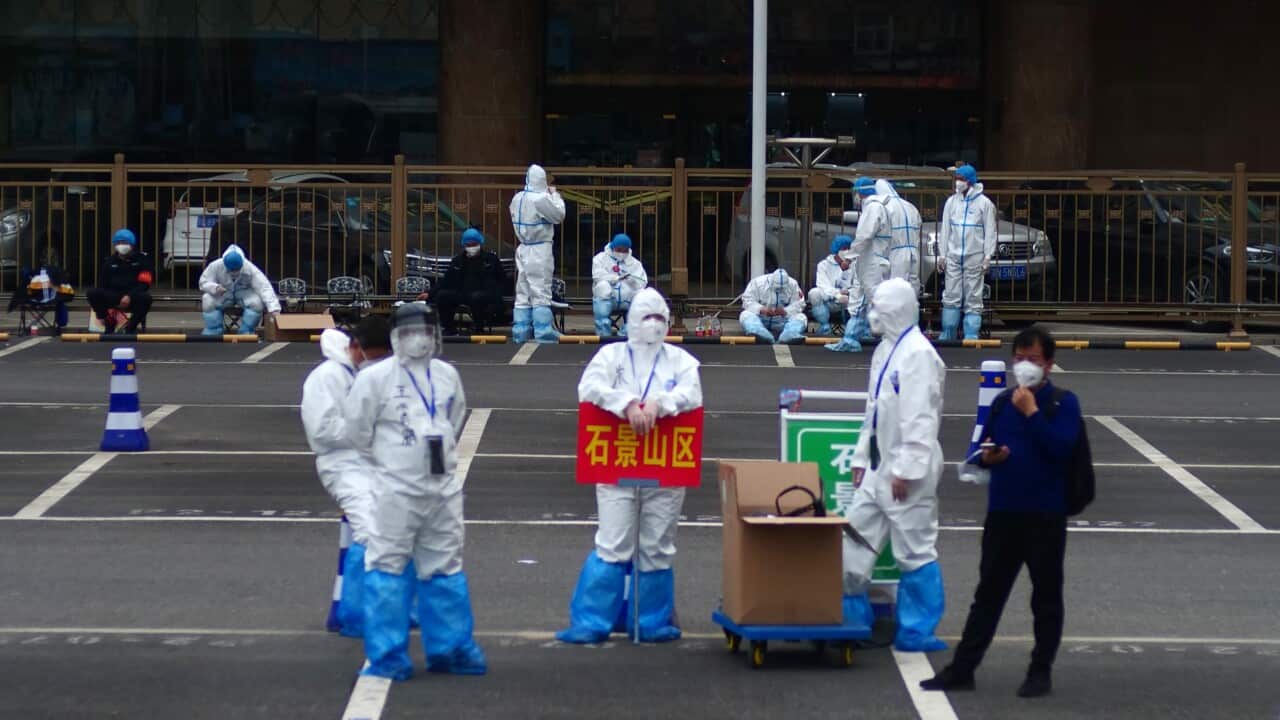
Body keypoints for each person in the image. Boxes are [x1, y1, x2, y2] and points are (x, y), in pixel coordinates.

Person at [922, 327, 1080, 698]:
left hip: (1045, 515)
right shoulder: (1002, 403)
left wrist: (1033, 414)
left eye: (1035, 360)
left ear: (1049, 365)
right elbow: (981, 450)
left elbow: (1061, 451)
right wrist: (989, 458)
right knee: (988, 594)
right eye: (1020, 359)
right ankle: (963, 668)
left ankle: (1040, 671)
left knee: (1045, 596)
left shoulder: (1062, 403)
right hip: (1004, 513)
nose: (1026, 367)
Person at [344, 302, 487, 680]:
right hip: (395, 490)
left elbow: (456, 417)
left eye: (424, 330)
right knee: (388, 564)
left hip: (442, 489)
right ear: (395, 337)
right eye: (409, 331)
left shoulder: (445, 375)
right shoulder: (375, 379)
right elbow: (358, 430)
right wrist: (391, 463)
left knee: (444, 565)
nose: (418, 338)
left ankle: (450, 649)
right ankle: (388, 655)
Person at [558, 288, 703, 644]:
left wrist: (659, 404)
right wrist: (625, 403)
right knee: (613, 542)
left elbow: (692, 395)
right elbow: (590, 387)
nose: (653, 325)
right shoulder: (611, 356)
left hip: (665, 467)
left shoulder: (680, 360)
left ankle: (652, 621)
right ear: (632, 321)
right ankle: (592, 621)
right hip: (616, 465)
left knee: (657, 545)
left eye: (660, 318)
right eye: (646, 317)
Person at [840, 278, 948, 652]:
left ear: (895, 310)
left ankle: (917, 631)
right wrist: (859, 457)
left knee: (914, 550)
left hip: (906, 474)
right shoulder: (886, 349)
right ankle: (850, 621)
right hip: (877, 468)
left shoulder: (918, 355)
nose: (873, 315)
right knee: (853, 539)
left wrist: (906, 469)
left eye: (878, 308)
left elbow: (920, 419)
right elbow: (873, 409)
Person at [300, 317, 392, 638]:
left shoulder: (362, 372)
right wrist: (367, 429)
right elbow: (323, 431)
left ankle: (382, 605)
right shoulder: (326, 377)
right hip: (342, 463)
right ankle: (362, 609)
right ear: (355, 347)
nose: (377, 362)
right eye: (375, 355)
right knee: (369, 531)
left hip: (371, 460)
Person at [938, 164, 997, 340]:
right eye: (957, 179)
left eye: (961, 179)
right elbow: (946, 230)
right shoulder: (952, 202)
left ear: (970, 181)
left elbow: (990, 232)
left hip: (975, 256)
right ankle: (948, 332)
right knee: (951, 294)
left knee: (973, 296)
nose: (958, 182)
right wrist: (942, 254)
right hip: (954, 256)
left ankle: (971, 334)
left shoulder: (984, 204)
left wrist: (987, 256)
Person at [509, 164, 566, 343]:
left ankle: (521, 330)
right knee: (540, 289)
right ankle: (543, 330)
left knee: (523, 289)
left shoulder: (517, 198)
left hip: (523, 247)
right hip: (539, 248)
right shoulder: (541, 199)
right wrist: (555, 195)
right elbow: (559, 216)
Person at [434, 228, 505, 336]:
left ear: (480, 243)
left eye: (474, 244)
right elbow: (446, 280)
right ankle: (449, 328)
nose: (472, 248)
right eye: (469, 245)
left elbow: (501, 278)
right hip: (463, 292)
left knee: (476, 297)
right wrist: (430, 293)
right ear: (464, 245)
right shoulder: (458, 261)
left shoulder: (490, 259)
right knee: (443, 296)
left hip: (484, 292)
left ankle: (479, 327)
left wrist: (496, 291)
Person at [199, 244, 280, 336]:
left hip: (244, 293)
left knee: (257, 303)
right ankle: (213, 330)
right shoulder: (215, 266)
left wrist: (274, 308)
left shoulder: (250, 268)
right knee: (207, 300)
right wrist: (215, 287)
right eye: (231, 271)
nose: (234, 273)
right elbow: (203, 282)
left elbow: (264, 287)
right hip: (223, 293)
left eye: (236, 270)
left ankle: (247, 331)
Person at [87, 229, 153, 334]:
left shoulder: (142, 259)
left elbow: (145, 283)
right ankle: (108, 322)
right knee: (93, 293)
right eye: (119, 243)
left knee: (146, 298)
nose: (121, 245)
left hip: (133, 295)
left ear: (132, 244)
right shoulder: (109, 261)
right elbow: (102, 284)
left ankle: (130, 327)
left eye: (125, 242)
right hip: (114, 295)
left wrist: (129, 296)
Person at [591, 233, 648, 337]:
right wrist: (615, 278)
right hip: (609, 299)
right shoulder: (600, 258)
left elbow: (642, 281)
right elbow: (597, 276)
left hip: (627, 299)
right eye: (619, 249)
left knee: (642, 294)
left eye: (625, 250)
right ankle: (603, 335)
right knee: (602, 286)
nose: (621, 253)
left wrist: (631, 280)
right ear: (613, 247)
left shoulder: (635, 263)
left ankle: (626, 333)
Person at [738, 267, 806, 344]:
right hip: (761, 318)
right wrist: (761, 309)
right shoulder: (757, 282)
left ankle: (790, 334)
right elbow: (747, 300)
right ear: (771, 281)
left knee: (801, 317)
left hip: (782, 321)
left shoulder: (793, 284)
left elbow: (800, 303)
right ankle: (758, 332)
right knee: (745, 314)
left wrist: (786, 311)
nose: (779, 290)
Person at [807, 235, 857, 336]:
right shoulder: (824, 265)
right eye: (844, 249)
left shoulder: (855, 265)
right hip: (828, 301)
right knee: (814, 293)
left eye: (849, 249)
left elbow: (858, 284)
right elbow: (823, 285)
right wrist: (837, 294)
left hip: (848, 301)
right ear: (837, 249)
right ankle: (824, 325)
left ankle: (850, 326)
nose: (846, 251)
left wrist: (849, 292)